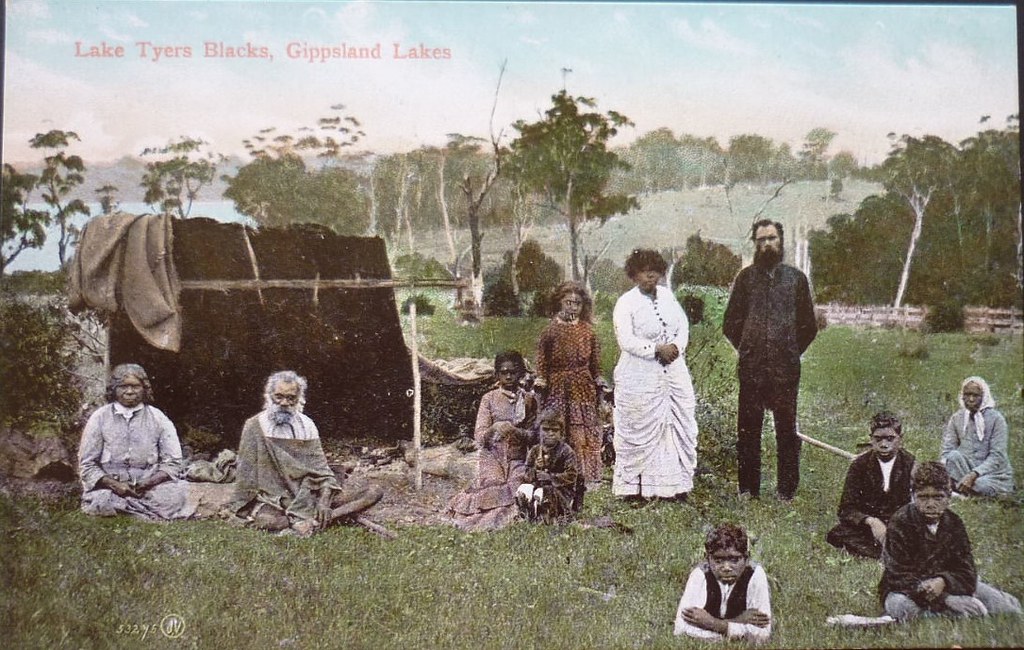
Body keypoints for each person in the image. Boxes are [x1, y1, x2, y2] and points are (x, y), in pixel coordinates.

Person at [723, 219, 817, 500]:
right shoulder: (746, 279)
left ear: (781, 241)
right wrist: (750, 348)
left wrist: (788, 351)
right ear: (755, 244)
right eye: (761, 240)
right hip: (752, 368)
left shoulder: (796, 279)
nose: (766, 244)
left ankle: (786, 491)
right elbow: (730, 324)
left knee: (787, 431)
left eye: (772, 238)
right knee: (748, 430)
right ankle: (747, 490)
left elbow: (808, 327)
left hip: (785, 371)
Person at [228, 370, 381, 536]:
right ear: (269, 396)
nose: (284, 403)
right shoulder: (254, 426)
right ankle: (317, 520)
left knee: (374, 491)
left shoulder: (307, 424)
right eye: (278, 397)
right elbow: (247, 473)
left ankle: (312, 521)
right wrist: (245, 505)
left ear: (298, 398)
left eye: (291, 398)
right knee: (268, 521)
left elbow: (322, 470)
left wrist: (323, 502)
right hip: (276, 498)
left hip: (310, 493)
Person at [880, 461, 1022, 621]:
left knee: (1006, 607)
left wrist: (944, 581)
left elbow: (967, 571)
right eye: (923, 497)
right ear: (912, 496)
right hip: (908, 591)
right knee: (901, 606)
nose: (931, 504)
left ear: (949, 496)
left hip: (950, 585)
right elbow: (898, 575)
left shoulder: (954, 523)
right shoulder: (900, 522)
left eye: (938, 497)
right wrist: (946, 599)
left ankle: (958, 612)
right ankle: (944, 615)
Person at [611, 248, 698, 503]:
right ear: (634, 275)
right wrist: (654, 350)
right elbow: (625, 339)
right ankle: (635, 489)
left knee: (675, 425)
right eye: (644, 273)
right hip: (640, 373)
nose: (651, 278)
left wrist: (676, 347)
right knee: (639, 426)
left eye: (655, 273)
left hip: (672, 370)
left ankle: (674, 486)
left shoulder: (669, 297)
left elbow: (683, 326)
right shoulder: (626, 303)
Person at [78, 363, 195, 521]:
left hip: (150, 487)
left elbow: (173, 462)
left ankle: (129, 508)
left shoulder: (158, 418)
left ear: (144, 388)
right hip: (110, 487)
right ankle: (136, 509)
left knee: (175, 496)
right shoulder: (99, 417)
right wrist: (114, 485)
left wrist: (147, 483)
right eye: (123, 386)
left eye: (135, 386)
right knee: (102, 499)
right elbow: (87, 464)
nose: (129, 391)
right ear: (114, 389)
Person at [448, 351, 538, 531]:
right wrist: (495, 428)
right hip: (492, 457)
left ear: (520, 374)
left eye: (513, 372)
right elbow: (479, 436)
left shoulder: (529, 400)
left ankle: (513, 516)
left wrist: (516, 431)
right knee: (492, 488)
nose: (509, 376)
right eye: (504, 372)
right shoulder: (488, 399)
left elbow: (534, 436)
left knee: (519, 486)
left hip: (517, 458)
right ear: (497, 374)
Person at [536, 281, 604, 487]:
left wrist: (598, 381)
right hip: (558, 386)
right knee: (558, 427)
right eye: (568, 302)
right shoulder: (550, 331)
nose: (572, 307)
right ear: (559, 303)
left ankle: (585, 475)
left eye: (577, 303)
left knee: (582, 430)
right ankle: (558, 472)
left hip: (582, 387)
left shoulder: (588, 331)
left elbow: (595, 363)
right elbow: (542, 360)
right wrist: (541, 381)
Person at [826, 411, 916, 559]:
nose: (884, 445)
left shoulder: (910, 464)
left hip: (900, 525)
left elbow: (915, 505)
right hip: (870, 528)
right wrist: (871, 521)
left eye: (890, 439)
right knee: (836, 534)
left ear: (900, 439)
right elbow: (846, 509)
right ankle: (888, 552)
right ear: (871, 439)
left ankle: (889, 550)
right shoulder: (859, 465)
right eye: (878, 439)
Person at [674, 523, 772, 642]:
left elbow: (762, 634)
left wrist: (714, 624)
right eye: (718, 560)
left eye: (734, 560)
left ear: (746, 559)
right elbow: (681, 630)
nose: (726, 567)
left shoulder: (755, 574)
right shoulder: (700, 574)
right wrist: (739, 622)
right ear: (707, 558)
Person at [940, 376, 1015, 497]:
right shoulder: (957, 418)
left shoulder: (996, 419)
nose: (970, 399)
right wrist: (943, 473)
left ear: (984, 396)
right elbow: (948, 450)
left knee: (981, 485)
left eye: (975, 395)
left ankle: (961, 490)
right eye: (967, 394)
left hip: (994, 473)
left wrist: (974, 474)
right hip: (965, 468)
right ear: (962, 396)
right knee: (953, 456)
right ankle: (961, 489)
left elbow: (997, 455)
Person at [516, 408, 582, 524]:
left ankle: (545, 516)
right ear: (539, 431)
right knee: (523, 490)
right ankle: (528, 514)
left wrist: (550, 477)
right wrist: (535, 469)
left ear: (561, 433)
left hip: (561, 491)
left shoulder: (566, 451)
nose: (550, 433)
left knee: (544, 494)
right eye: (546, 430)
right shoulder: (535, 450)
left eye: (554, 430)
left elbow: (572, 476)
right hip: (538, 487)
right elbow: (526, 473)